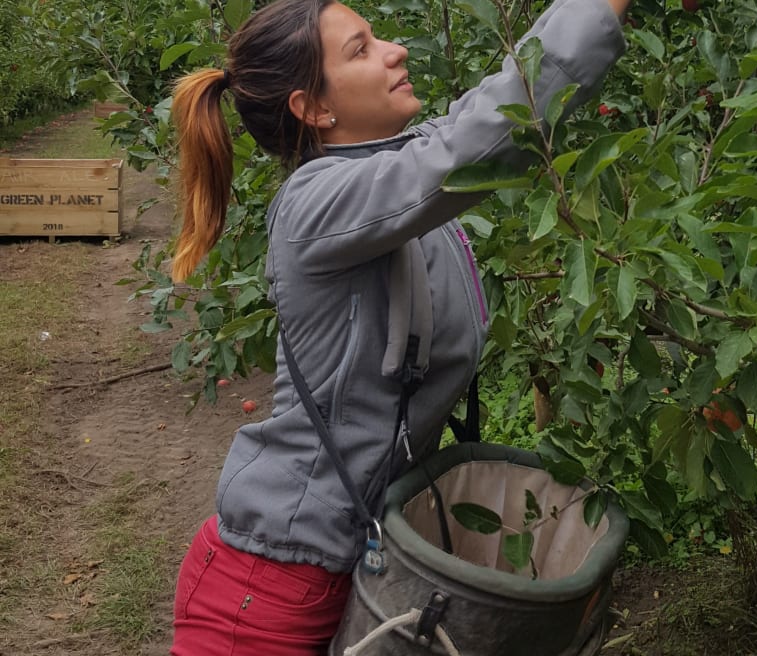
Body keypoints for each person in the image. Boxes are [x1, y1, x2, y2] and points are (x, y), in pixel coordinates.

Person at [167, 0, 630, 652]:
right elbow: (470, 146)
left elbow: (476, 122)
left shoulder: (386, 173)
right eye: (360, 49)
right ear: (312, 107)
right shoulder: (315, 204)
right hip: (265, 588)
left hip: (359, 566)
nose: (395, 50)